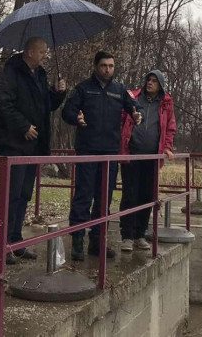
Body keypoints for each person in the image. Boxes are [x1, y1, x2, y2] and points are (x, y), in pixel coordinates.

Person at [0, 37, 67, 265]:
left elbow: (46, 106)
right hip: (14, 144)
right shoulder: (11, 73)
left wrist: (58, 93)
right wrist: (23, 126)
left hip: (35, 145)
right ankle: (3, 245)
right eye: (42, 52)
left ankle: (15, 240)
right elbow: (1, 102)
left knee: (24, 195)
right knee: (11, 196)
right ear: (30, 52)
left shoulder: (40, 75)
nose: (45, 55)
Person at [62, 51, 141, 261]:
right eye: (104, 65)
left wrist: (136, 113)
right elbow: (67, 112)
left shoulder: (120, 89)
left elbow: (134, 105)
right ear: (96, 66)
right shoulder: (83, 88)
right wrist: (76, 118)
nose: (108, 69)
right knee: (83, 197)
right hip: (87, 150)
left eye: (111, 66)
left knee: (104, 199)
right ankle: (77, 242)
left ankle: (97, 242)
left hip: (110, 153)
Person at [119, 70, 177, 252]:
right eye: (148, 80)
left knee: (147, 196)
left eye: (154, 81)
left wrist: (167, 147)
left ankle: (139, 234)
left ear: (160, 84)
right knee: (130, 194)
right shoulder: (134, 97)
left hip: (152, 156)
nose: (150, 83)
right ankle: (127, 235)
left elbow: (170, 128)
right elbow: (121, 121)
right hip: (131, 154)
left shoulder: (166, 103)